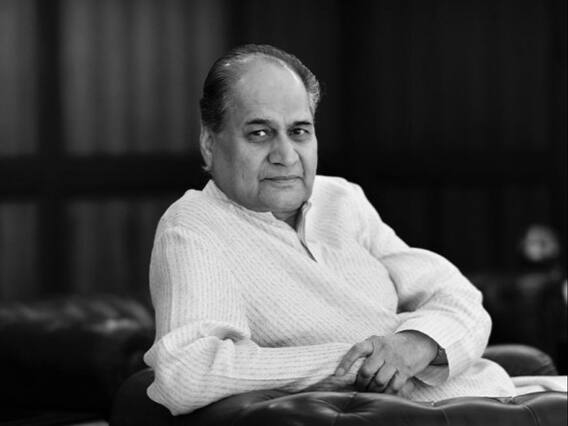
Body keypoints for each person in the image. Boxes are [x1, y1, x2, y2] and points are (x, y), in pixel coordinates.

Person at [143, 44, 516, 415]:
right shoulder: (195, 227)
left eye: (299, 131)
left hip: (499, 400)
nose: (286, 155)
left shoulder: (339, 198)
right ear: (210, 144)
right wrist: (359, 362)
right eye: (260, 133)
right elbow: (186, 373)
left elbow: (457, 296)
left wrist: (416, 344)